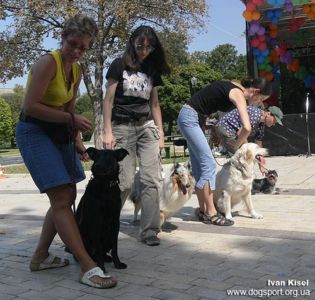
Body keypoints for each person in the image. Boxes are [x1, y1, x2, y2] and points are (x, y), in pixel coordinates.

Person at [16, 14, 117, 288]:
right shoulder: (48, 63)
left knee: (68, 193)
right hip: (33, 130)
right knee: (61, 197)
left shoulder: (77, 70)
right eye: (72, 44)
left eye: (83, 47)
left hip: (59, 132)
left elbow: (69, 110)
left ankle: (40, 257)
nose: (76, 51)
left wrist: (77, 141)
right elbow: (30, 107)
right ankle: (88, 265)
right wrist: (70, 121)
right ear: (63, 38)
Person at [103, 25, 170, 246]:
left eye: (149, 46)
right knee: (124, 182)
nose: (144, 50)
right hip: (121, 126)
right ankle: (104, 224)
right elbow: (108, 100)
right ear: (132, 41)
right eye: (141, 45)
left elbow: (155, 103)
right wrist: (107, 131)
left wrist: (160, 133)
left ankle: (150, 230)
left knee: (151, 179)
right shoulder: (118, 64)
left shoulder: (151, 67)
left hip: (146, 127)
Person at [177, 78, 272, 226]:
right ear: (256, 92)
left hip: (192, 117)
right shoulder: (239, 94)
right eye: (261, 98)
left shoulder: (234, 86)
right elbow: (247, 128)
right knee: (208, 165)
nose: (260, 102)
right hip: (191, 118)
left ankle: (203, 210)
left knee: (199, 168)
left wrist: (217, 133)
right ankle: (212, 212)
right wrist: (236, 144)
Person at [214, 105, 283, 174]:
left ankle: (233, 175)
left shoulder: (261, 124)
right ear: (268, 114)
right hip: (225, 129)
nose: (274, 124)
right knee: (243, 157)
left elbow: (258, 143)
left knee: (245, 158)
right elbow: (241, 134)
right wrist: (250, 150)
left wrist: (261, 165)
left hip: (234, 134)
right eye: (275, 121)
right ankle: (231, 176)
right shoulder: (255, 115)